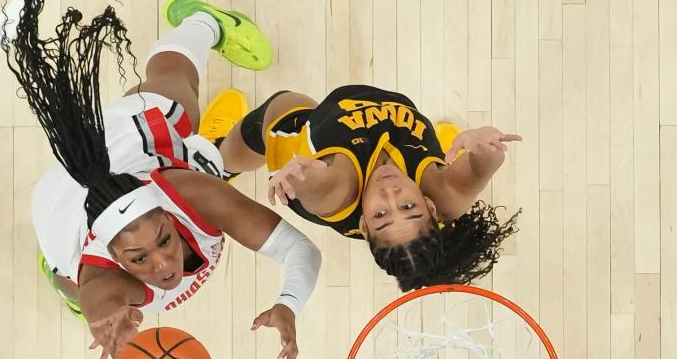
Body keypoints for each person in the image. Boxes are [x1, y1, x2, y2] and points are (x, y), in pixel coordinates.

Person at [1, 0, 321, 359]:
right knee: (73, 286)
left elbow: (301, 250)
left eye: (164, 239)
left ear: (169, 215)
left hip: (121, 154)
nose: (164, 262)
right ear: (116, 258)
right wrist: (102, 316)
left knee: (177, 98)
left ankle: (204, 22)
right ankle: (214, 152)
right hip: (59, 212)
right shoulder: (105, 276)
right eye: (138, 259)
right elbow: (100, 294)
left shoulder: (188, 194)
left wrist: (289, 301)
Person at [210, 85, 520, 291]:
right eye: (409, 207)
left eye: (381, 214)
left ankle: (217, 158)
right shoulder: (448, 197)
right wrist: (482, 144)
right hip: (373, 127)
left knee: (250, 136)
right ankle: (439, 151)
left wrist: (296, 173)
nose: (390, 194)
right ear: (430, 206)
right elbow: (485, 164)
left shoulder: (335, 191)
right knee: (449, 168)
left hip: (299, 134)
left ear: (363, 223)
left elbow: (311, 184)